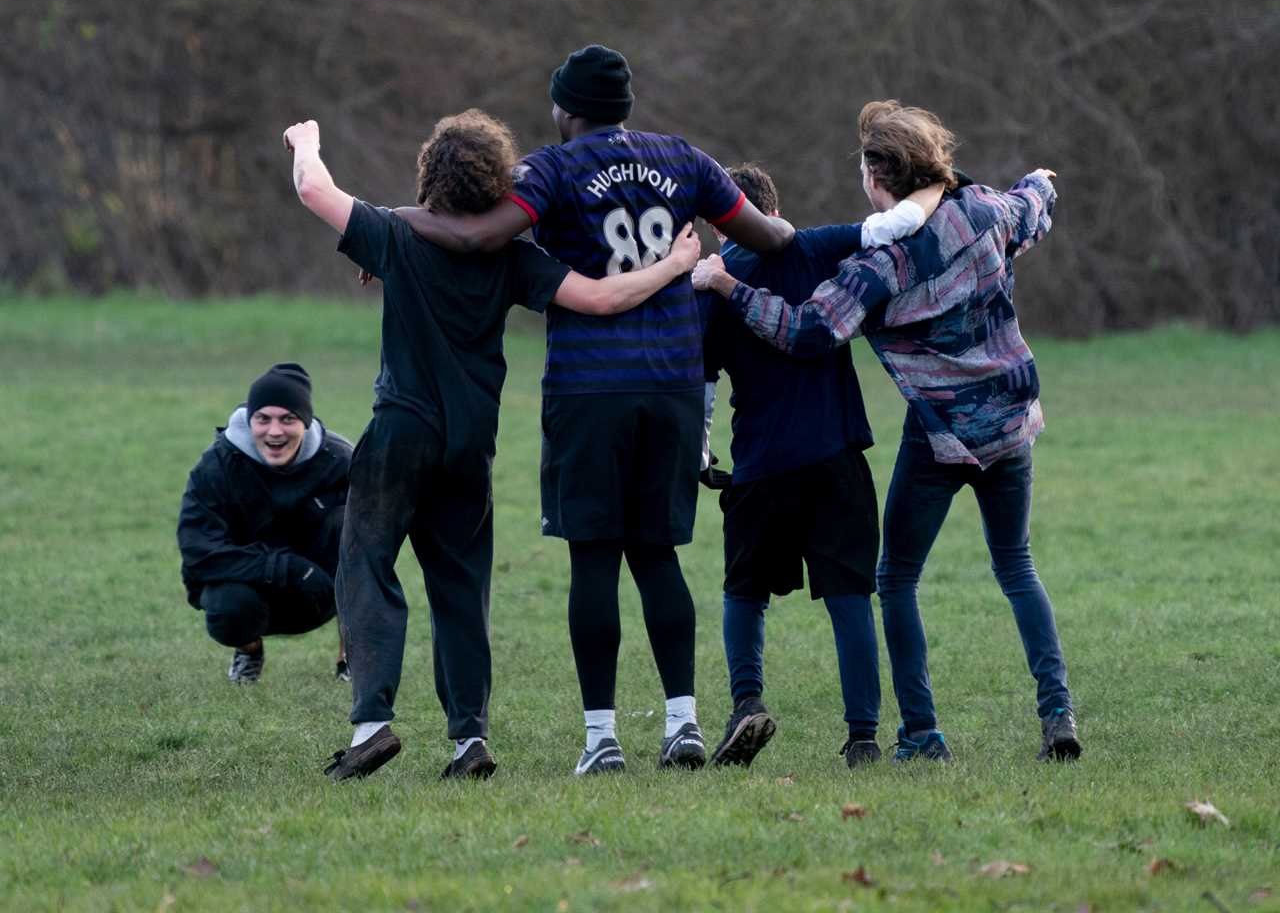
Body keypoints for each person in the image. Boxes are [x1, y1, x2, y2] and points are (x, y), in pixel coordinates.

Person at [397, 45, 797, 775]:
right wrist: (799, 238)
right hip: (674, 382)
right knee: (657, 555)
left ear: (563, 109)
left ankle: (601, 739)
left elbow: (481, 233)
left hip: (590, 388)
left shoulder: (551, 169)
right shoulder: (685, 159)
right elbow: (766, 235)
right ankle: (684, 725)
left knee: (593, 559)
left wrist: (388, 221)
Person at [283, 109, 703, 781]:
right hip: (471, 444)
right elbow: (598, 299)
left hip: (402, 430)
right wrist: (677, 263)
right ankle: (468, 742)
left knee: (365, 565)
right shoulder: (516, 259)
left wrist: (307, 141)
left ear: (429, 181)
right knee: (461, 590)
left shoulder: (395, 236)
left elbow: (313, 190)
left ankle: (372, 723)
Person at [694, 100, 1082, 763]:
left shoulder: (880, 268)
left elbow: (807, 331)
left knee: (898, 578)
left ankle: (924, 737)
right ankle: (1058, 715)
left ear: (879, 180)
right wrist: (1042, 180)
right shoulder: (987, 209)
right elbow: (1032, 206)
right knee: (1016, 565)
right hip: (1013, 421)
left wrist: (730, 287)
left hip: (940, 435)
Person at [698, 164, 939, 769]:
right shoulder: (816, 246)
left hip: (760, 460)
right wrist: (937, 184)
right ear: (771, 209)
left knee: (744, 592)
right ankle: (862, 734)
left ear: (718, 219)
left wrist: (698, 452)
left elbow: (698, 380)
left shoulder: (712, 283)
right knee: (850, 596)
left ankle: (746, 702)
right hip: (834, 454)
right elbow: (894, 229)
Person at [178, 362, 352, 683]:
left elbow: (383, 536)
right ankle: (248, 649)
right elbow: (198, 553)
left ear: (306, 422)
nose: (274, 431)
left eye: (288, 419)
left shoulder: (339, 460)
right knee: (226, 605)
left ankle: (351, 656)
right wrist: (285, 568)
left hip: (321, 593)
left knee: (355, 529)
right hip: (248, 591)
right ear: (249, 420)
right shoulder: (216, 466)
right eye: (263, 419)